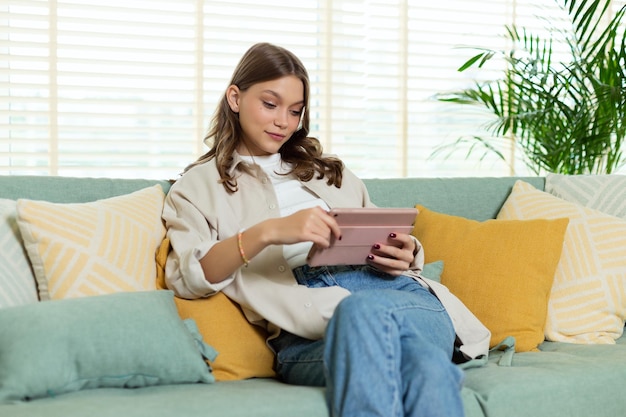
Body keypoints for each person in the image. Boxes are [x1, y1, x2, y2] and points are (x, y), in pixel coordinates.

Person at [162, 42, 490, 417]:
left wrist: (407, 251)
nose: (283, 121)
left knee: (371, 316)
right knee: (423, 365)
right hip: (308, 334)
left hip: (399, 297)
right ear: (235, 98)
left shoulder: (328, 172)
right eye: (270, 104)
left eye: (295, 111)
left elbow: (385, 233)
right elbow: (189, 277)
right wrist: (269, 231)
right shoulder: (197, 187)